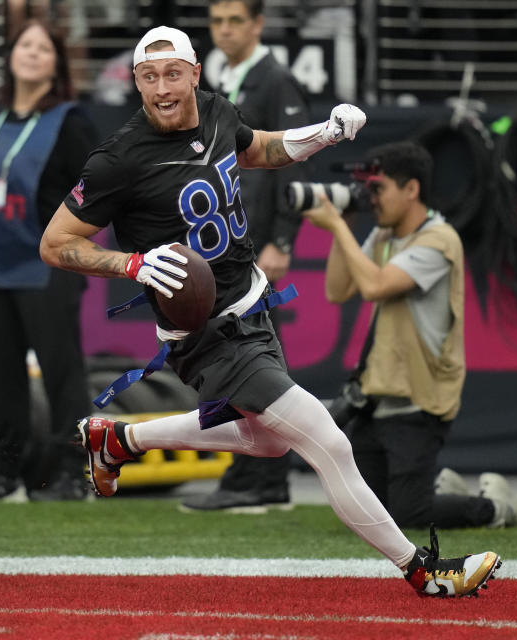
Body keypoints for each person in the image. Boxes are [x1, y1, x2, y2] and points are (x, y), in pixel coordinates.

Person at [39, 25, 501, 597]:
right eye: (149, 76)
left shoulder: (214, 110)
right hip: (204, 330)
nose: (161, 87)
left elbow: (257, 149)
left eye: (172, 73)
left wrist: (324, 134)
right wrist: (130, 266)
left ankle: (119, 440)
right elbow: (56, 243)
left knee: (270, 442)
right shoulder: (118, 160)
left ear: (195, 74)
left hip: (250, 303)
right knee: (327, 442)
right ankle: (425, 572)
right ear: (135, 80)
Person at [300, 140, 517, 530]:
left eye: (378, 188)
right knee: (362, 512)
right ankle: (440, 486)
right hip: (377, 396)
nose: (371, 199)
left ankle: (495, 508)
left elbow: (376, 287)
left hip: (418, 401)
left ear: (411, 189)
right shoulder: (384, 237)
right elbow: (338, 291)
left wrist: (336, 224)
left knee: (409, 515)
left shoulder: (439, 239)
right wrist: (345, 227)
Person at [0, 19, 98, 501]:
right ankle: (5, 471)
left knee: (61, 372)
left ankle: (70, 474)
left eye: (44, 48)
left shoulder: (70, 122)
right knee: (2, 373)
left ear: (57, 62)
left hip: (48, 264)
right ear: (10, 56)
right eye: (25, 45)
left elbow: (96, 195)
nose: (32, 53)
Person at [179, 0, 311, 514]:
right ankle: (254, 473)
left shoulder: (274, 80)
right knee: (233, 357)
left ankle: (262, 476)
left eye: (236, 20)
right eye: (217, 22)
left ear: (258, 24)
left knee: (254, 358)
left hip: (252, 248)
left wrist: (283, 240)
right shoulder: (225, 80)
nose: (225, 30)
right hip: (224, 248)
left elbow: (293, 157)